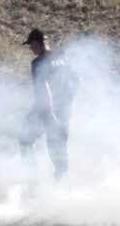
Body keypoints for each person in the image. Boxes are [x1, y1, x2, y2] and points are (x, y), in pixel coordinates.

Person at [18, 29, 78, 181]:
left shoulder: (38, 62)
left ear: (37, 43)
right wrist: (68, 103)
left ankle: (31, 179)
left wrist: (50, 114)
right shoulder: (62, 58)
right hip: (64, 112)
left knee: (24, 138)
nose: (30, 48)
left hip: (45, 111)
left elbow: (44, 87)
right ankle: (61, 190)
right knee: (58, 152)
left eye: (30, 45)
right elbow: (77, 81)